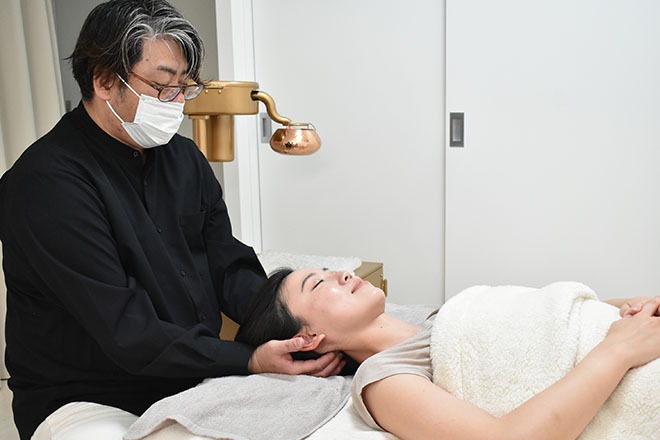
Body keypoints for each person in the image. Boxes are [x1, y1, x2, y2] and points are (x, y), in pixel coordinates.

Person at [0, 1, 343, 438]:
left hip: (190, 375)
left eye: (185, 86)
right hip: (87, 396)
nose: (177, 103)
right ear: (104, 80)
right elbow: (124, 329)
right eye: (163, 87)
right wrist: (248, 359)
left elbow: (228, 265)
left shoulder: (182, 158)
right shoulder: (47, 184)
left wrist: (295, 324)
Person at [236, 267, 660, 440]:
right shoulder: (385, 379)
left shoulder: (447, 317)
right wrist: (617, 350)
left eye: (331, 270)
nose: (343, 274)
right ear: (309, 338)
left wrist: (628, 307)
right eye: (319, 283)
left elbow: (550, 319)